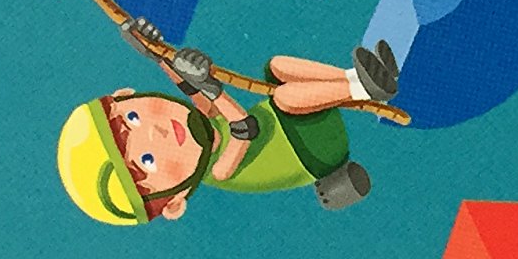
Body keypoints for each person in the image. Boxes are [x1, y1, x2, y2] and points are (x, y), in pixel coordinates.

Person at [53, 37, 396, 225]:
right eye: (147, 160)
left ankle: (356, 78)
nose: (156, 133)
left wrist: (157, 54)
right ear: (174, 204)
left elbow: (193, 94)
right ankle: (361, 89)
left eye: (133, 118)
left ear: (126, 94)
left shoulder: (205, 127)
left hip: (305, 110)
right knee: (284, 97)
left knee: (277, 66)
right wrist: (212, 88)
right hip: (311, 150)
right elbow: (244, 128)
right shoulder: (218, 170)